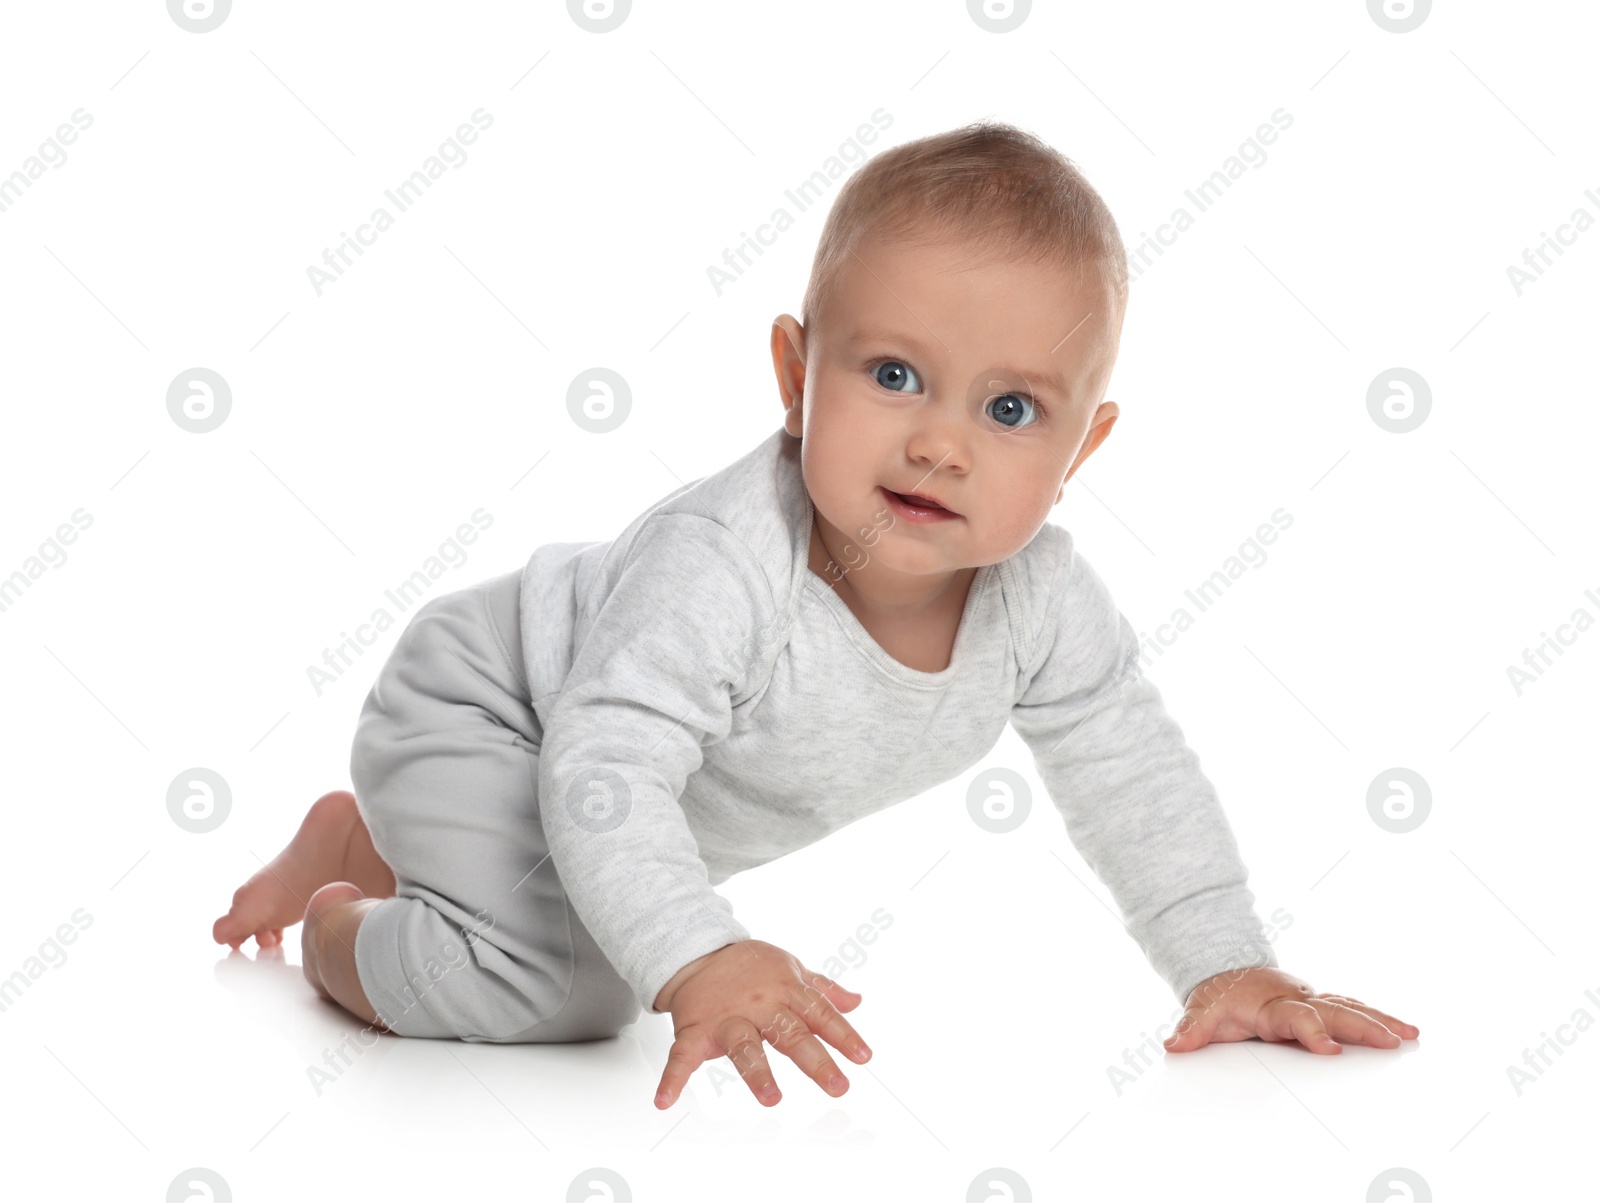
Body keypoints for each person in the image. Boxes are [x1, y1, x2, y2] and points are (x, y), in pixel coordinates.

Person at [213, 121, 1418, 1110]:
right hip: (496, 714)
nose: (939, 442)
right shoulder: (729, 562)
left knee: (590, 947)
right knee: (561, 996)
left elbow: (1132, 773)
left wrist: (1223, 962)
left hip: (591, 782)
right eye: (892, 376)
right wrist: (699, 954)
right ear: (797, 377)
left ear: (1081, 449)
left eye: (1010, 411)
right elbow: (607, 760)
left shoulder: (1042, 603)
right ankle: (341, 917)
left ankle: (388, 846)